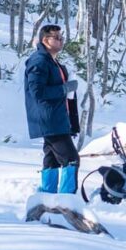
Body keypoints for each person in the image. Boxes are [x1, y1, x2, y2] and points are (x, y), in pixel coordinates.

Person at [24, 24, 81, 193]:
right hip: (50, 120)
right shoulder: (39, 61)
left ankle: (46, 199)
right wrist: (65, 88)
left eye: (61, 37)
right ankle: (67, 204)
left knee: (52, 161)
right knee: (71, 160)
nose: (61, 41)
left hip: (56, 119)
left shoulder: (53, 62)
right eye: (56, 38)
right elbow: (37, 92)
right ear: (44, 40)